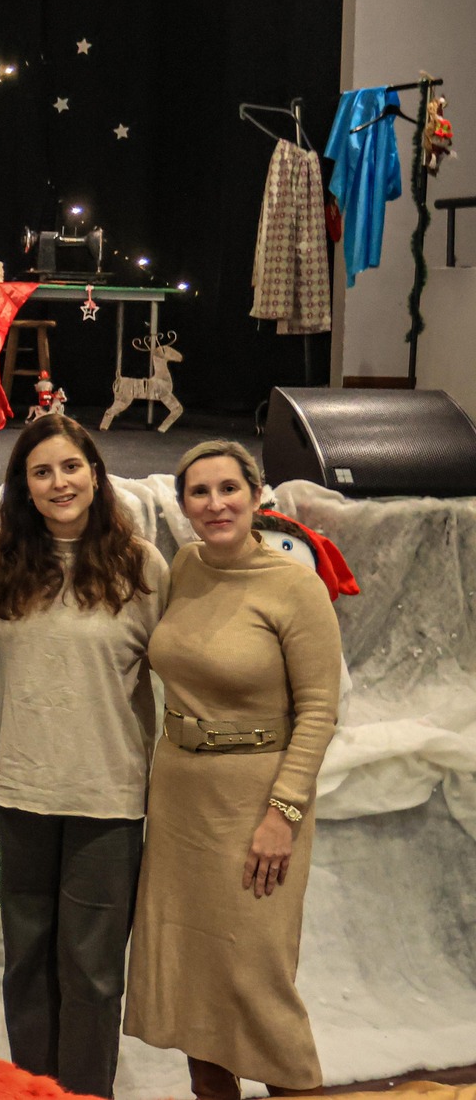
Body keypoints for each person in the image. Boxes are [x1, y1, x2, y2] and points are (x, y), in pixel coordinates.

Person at [124, 441, 342, 1100]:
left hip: (257, 801)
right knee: (192, 976)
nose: (215, 503)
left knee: (256, 975)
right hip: (181, 799)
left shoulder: (294, 586)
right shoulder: (185, 566)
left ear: (256, 496)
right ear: (182, 502)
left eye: (228, 489)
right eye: (199, 491)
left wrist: (284, 813)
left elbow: (320, 710)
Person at [0, 415, 169, 1099]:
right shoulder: (0, 559)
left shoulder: (141, 564)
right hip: (24, 787)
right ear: (23, 484)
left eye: (71, 467)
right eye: (42, 471)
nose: (59, 483)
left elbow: (179, 668)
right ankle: (33, 1089)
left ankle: (83, 1092)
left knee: (91, 967)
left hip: (108, 793)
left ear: (95, 473)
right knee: (27, 959)